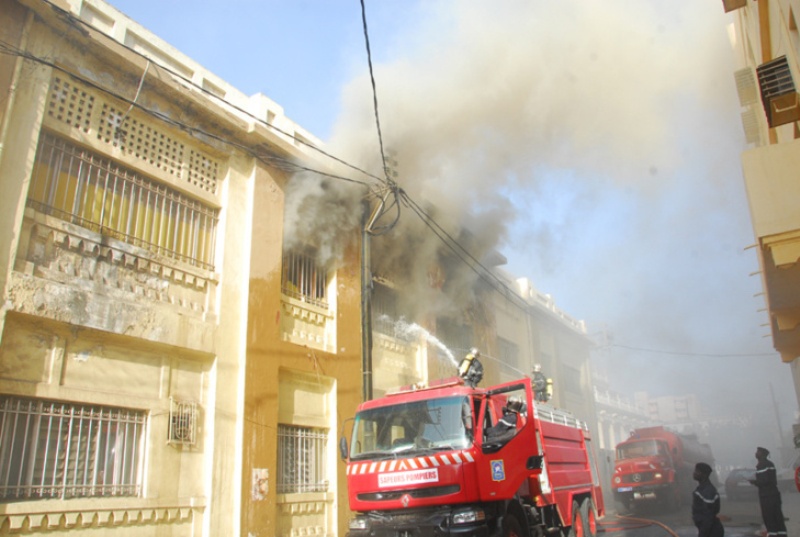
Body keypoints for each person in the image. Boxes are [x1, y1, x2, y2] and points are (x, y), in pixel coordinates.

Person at [750, 446, 787, 537]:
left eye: (757, 452)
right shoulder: (770, 464)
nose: (755, 453)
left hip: (767, 496)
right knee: (777, 516)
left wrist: (755, 482)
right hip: (774, 494)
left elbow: (764, 480)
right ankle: (782, 534)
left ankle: (772, 534)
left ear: (762, 454)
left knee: (769, 517)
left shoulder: (762, 465)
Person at [692, 462, 724, 537]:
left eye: (697, 471)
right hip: (708, 530)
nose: (694, 473)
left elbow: (708, 515)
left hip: (712, 532)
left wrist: (703, 534)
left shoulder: (707, 491)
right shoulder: (702, 489)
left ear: (704, 475)